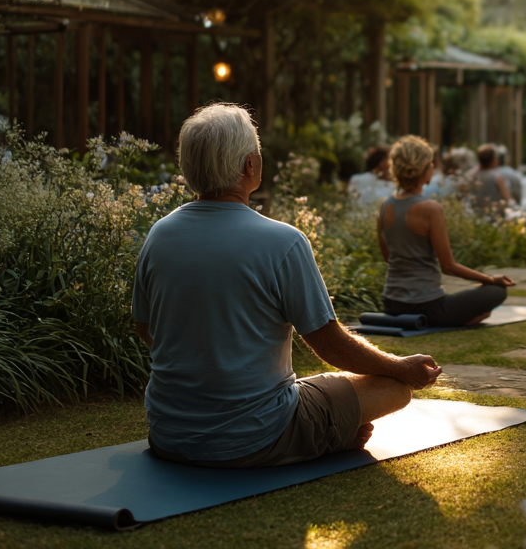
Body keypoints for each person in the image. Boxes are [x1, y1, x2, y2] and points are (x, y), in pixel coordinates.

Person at [133, 105, 441, 469]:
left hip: (169, 435)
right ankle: (331, 435)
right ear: (251, 165)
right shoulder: (282, 241)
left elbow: (146, 329)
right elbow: (329, 344)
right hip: (257, 437)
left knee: (320, 389)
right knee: (393, 388)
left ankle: (331, 428)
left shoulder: (159, 236)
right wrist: (401, 368)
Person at [379, 136, 516, 326]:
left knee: (472, 296)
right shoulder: (431, 208)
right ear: (424, 168)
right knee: (496, 291)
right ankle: (463, 319)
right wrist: (491, 279)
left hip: (391, 305)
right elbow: (449, 267)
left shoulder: (386, 206)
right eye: (431, 163)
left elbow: (388, 257)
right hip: (428, 307)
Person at [347, 145, 395, 210]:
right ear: (382, 163)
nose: (391, 164)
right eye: (389, 159)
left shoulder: (355, 178)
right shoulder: (390, 184)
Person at [470, 144, 513, 212]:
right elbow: (508, 199)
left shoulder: (471, 175)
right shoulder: (496, 177)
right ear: (494, 160)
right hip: (494, 215)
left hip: (475, 214)